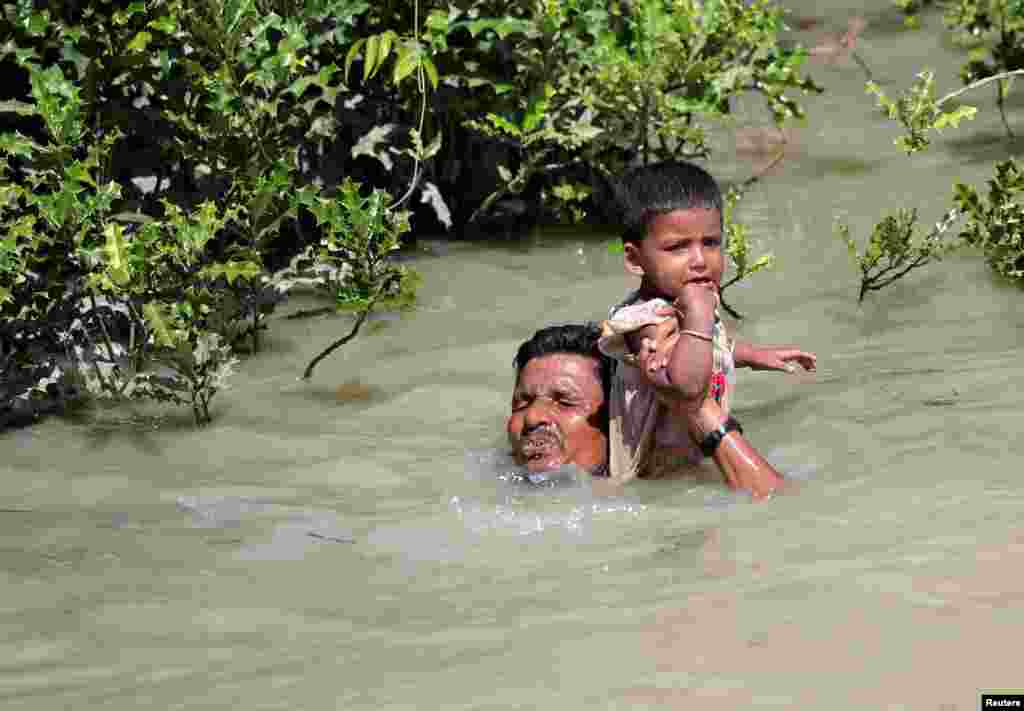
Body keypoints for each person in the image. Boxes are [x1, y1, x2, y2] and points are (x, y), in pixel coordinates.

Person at [603, 160, 816, 482]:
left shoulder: (687, 301)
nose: (700, 261)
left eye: (711, 242)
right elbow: (688, 386)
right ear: (635, 259)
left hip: (696, 460)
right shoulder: (647, 320)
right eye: (677, 247)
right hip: (655, 477)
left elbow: (707, 347)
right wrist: (701, 315)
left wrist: (749, 354)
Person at [507, 324, 788, 499]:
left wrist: (694, 404)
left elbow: (775, 503)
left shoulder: (669, 487)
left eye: (564, 402)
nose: (532, 417)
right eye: (522, 403)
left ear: (620, 418)